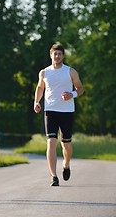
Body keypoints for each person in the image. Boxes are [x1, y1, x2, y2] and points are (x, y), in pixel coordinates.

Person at [34, 43, 84, 186]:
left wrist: (72, 94)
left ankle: (66, 164)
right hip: (50, 111)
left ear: (63, 56)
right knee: (51, 142)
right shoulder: (44, 72)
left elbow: (80, 88)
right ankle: (53, 176)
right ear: (51, 55)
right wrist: (36, 102)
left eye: (59, 54)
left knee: (66, 144)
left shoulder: (70, 72)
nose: (57, 56)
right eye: (54, 54)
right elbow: (39, 88)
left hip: (67, 112)